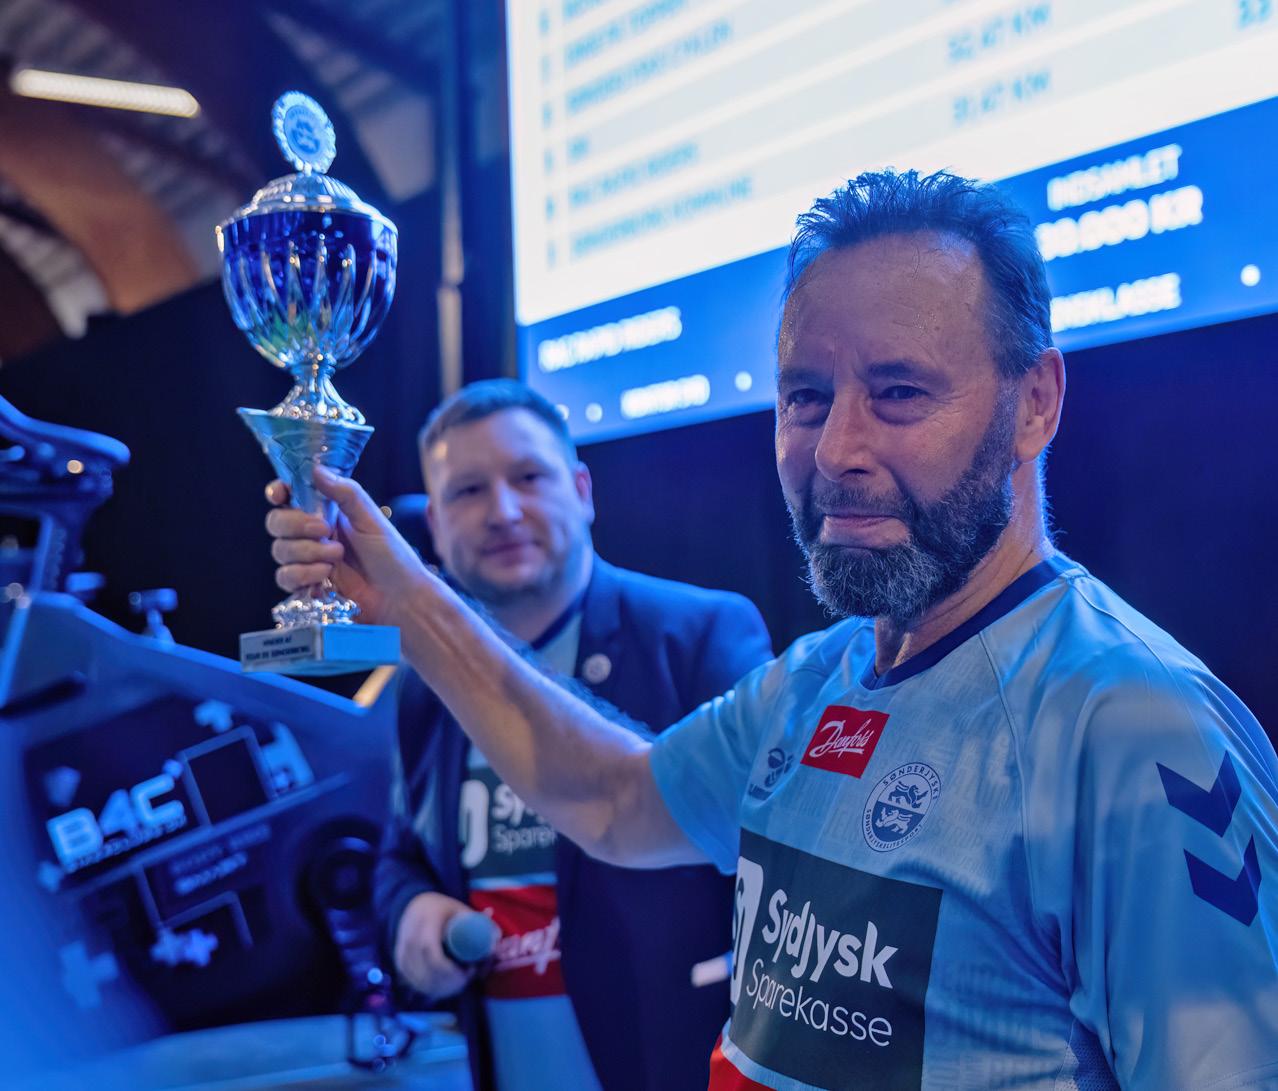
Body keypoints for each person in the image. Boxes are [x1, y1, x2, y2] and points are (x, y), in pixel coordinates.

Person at [267, 171, 1278, 1089]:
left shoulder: (1135, 724)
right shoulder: (814, 679)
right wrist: (409, 601)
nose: (836, 449)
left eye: (899, 392)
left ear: (1036, 402)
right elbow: (614, 799)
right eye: (806, 396)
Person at [310, 380, 772, 1091]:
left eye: (528, 477)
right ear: (434, 524)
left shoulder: (699, 633)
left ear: (582, 490)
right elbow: (401, 855)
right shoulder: (422, 684)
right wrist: (411, 915)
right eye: (467, 491)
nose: (502, 511)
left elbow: (769, 856)